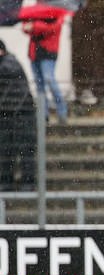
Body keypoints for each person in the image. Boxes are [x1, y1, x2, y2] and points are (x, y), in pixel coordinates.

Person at [0, 39, 36, 191]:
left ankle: (26, 184)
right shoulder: (7, 63)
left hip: (21, 115)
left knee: (23, 150)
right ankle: (8, 182)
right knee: (7, 150)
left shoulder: (9, 65)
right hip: (11, 115)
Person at [22, 13, 68, 124]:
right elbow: (26, 28)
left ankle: (62, 112)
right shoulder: (37, 13)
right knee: (39, 86)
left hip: (48, 54)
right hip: (35, 54)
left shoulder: (56, 13)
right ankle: (44, 114)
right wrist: (33, 26)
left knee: (49, 80)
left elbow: (52, 28)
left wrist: (34, 26)